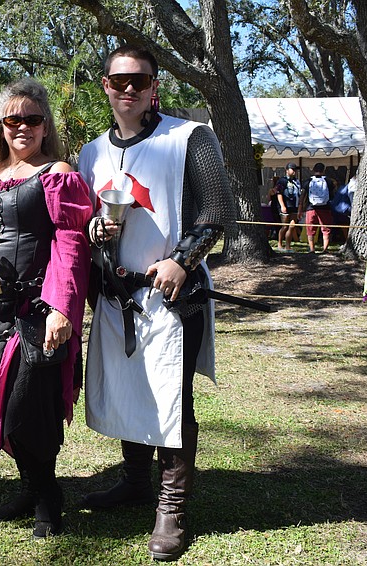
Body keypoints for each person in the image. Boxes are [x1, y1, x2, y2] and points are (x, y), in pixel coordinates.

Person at [77, 45, 234, 561]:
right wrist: (96, 229)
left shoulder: (188, 138)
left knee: (171, 400)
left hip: (172, 296)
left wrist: (183, 260)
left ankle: (172, 507)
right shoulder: (91, 152)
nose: (128, 89)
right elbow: (83, 220)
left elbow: (215, 212)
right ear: (105, 85)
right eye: (118, 81)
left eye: (138, 81)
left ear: (153, 87)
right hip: (119, 294)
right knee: (128, 391)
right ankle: (135, 483)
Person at [0, 78, 93, 538]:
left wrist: (62, 309)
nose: (22, 127)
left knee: (28, 408)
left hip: (36, 314)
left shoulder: (58, 175)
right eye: (13, 120)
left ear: (46, 127)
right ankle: (31, 486)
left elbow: (71, 247)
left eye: (32, 119)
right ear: (1, 126)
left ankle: (49, 495)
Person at [297, 162, 337, 253]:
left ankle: (312, 249)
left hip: (311, 208)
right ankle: (325, 249)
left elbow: (303, 196)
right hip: (325, 208)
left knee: (310, 229)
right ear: (324, 170)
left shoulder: (308, 181)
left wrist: (300, 209)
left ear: (313, 170)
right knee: (326, 229)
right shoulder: (328, 181)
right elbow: (334, 189)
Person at [274, 163, 301, 250]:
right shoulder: (282, 181)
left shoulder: (297, 181)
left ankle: (288, 246)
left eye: (295, 170)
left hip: (294, 206)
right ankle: (279, 244)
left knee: (292, 226)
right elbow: (279, 194)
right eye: (292, 169)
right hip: (285, 206)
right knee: (285, 226)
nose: (294, 171)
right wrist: (282, 205)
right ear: (287, 170)